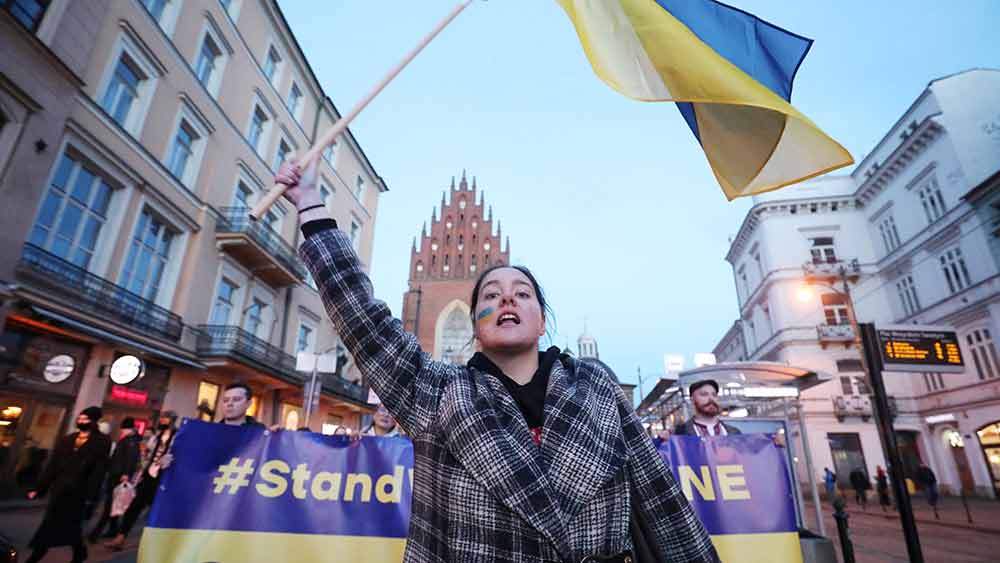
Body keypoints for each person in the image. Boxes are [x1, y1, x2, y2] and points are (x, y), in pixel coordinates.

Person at [274, 161, 718, 562]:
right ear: (475, 325)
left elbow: (664, 506)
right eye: (490, 294)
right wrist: (312, 205)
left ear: (542, 320)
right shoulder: (440, 391)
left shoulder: (596, 387)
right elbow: (363, 320)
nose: (506, 297)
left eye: (522, 293)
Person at [25, 406, 111, 563]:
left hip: (79, 492)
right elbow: (52, 465)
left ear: (94, 421)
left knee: (70, 526)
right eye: (80, 418)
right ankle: (40, 554)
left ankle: (77, 552)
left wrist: (91, 497)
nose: (81, 421)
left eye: (85, 419)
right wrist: (39, 487)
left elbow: (98, 471)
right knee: (51, 524)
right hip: (59, 490)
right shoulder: (67, 439)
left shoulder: (102, 442)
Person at [106, 411, 177, 551]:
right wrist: (141, 469)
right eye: (162, 418)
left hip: (164, 479)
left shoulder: (178, 438)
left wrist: (171, 459)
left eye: (166, 418)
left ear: (172, 421)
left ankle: (159, 543)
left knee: (158, 511)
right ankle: (120, 537)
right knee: (134, 507)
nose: (162, 420)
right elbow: (145, 454)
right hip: (148, 476)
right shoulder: (156, 436)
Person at [88, 417, 141, 543]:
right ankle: (113, 529)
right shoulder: (129, 440)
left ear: (128, 429)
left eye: (123, 429)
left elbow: (130, 459)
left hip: (118, 476)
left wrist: (126, 474)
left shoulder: (130, 442)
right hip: (116, 475)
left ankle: (95, 534)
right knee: (112, 505)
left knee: (109, 506)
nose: (122, 431)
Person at [671, 380, 743, 437]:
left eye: (714, 395)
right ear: (692, 399)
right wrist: (660, 441)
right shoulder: (680, 433)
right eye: (704, 394)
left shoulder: (734, 433)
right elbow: (661, 455)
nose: (711, 399)